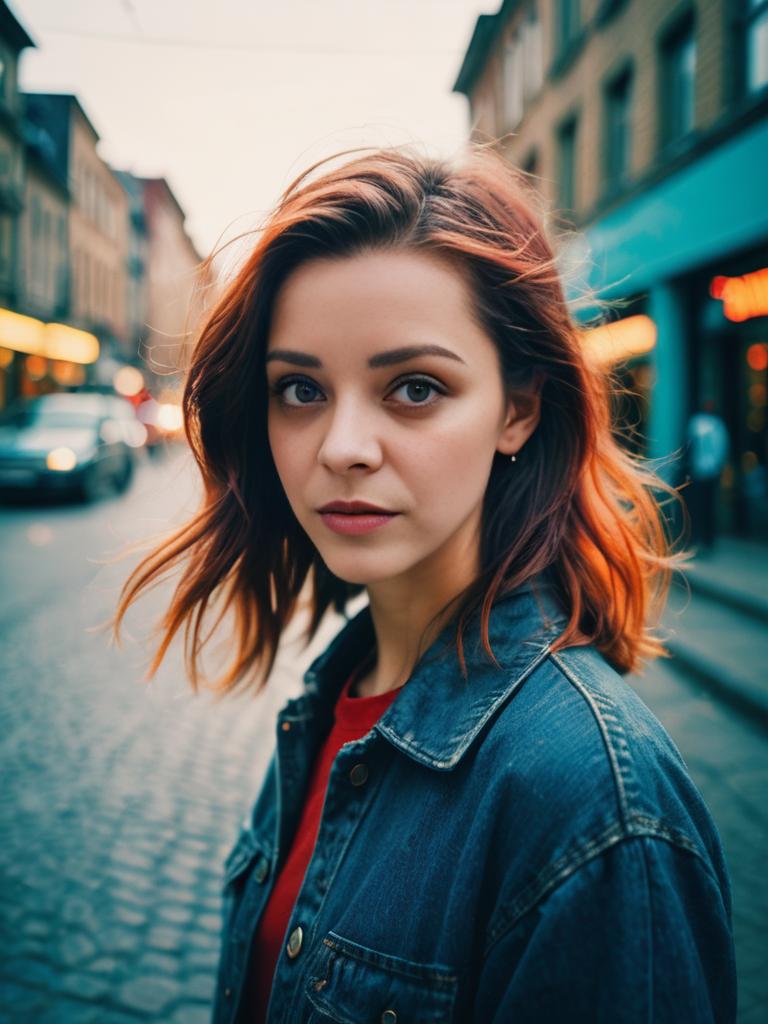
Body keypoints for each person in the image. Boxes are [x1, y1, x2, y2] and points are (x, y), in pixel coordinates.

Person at [112, 146, 736, 1022]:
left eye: (413, 387)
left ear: (518, 407)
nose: (342, 447)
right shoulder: (336, 699)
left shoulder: (591, 803)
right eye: (300, 389)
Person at [685, 400, 730, 551]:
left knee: (708, 506)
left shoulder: (717, 425)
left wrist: (717, 467)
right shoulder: (696, 422)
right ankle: (695, 537)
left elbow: (721, 447)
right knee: (695, 505)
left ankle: (707, 539)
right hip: (696, 471)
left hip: (710, 472)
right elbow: (689, 445)